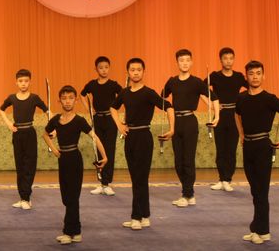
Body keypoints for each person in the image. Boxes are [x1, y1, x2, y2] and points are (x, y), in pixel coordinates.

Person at [235, 60, 279, 244]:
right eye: (251, 73)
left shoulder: (270, 98)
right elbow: (237, 115)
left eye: (258, 73)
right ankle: (259, 228)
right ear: (246, 76)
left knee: (261, 191)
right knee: (255, 191)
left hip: (263, 146)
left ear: (264, 76)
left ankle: (262, 231)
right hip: (248, 147)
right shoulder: (241, 98)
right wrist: (241, 134)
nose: (255, 77)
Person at [110, 58, 174, 230]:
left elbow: (169, 107)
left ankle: (136, 217)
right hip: (129, 137)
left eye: (139, 69)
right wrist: (119, 125)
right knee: (137, 179)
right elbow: (113, 108)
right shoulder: (124, 93)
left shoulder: (149, 93)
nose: (136, 72)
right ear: (128, 72)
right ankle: (145, 215)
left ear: (144, 72)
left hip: (144, 137)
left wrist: (172, 129)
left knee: (140, 178)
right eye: (132, 70)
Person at [43, 85, 108, 245]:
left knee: (72, 197)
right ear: (59, 101)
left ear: (76, 100)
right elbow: (45, 134)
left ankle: (69, 232)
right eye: (64, 98)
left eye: (71, 98)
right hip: (63, 159)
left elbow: (94, 137)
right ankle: (76, 231)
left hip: (74, 160)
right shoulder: (56, 120)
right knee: (66, 198)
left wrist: (105, 156)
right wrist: (54, 149)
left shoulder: (79, 120)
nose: (67, 101)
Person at [163, 49, 219, 207]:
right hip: (176, 122)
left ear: (192, 62)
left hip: (190, 122)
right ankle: (188, 191)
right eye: (181, 60)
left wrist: (217, 117)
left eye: (187, 60)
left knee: (188, 160)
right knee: (178, 162)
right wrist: (168, 108)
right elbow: (162, 97)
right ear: (177, 62)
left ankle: (188, 194)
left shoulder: (196, 82)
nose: (185, 63)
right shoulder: (172, 81)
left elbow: (214, 98)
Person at [0, 68, 49, 210]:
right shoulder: (12, 98)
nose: (23, 83)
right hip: (17, 133)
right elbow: (1, 109)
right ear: (16, 82)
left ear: (30, 82)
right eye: (20, 81)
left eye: (26, 81)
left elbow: (47, 111)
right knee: (20, 167)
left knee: (29, 166)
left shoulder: (34, 98)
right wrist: (9, 123)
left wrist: (53, 126)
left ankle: (26, 197)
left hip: (30, 133)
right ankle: (22, 197)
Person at [207, 47, 248, 192]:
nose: (228, 61)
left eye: (231, 58)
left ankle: (227, 179)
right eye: (225, 58)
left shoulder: (238, 76)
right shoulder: (214, 76)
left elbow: (252, 88)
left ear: (234, 59)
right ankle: (221, 179)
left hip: (234, 115)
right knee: (221, 148)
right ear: (221, 60)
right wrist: (211, 104)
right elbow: (201, 89)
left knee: (231, 149)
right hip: (220, 115)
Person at [81, 56, 122, 196]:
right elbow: (82, 95)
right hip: (97, 119)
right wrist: (89, 109)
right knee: (98, 150)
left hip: (111, 120)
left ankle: (107, 183)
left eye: (106, 67)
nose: (104, 70)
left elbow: (124, 96)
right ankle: (101, 182)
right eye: (101, 68)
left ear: (109, 68)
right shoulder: (92, 84)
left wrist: (116, 109)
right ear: (96, 69)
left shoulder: (113, 85)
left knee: (109, 150)